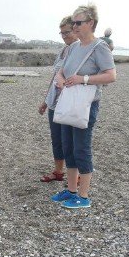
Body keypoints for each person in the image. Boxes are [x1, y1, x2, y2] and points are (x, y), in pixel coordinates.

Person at [50, 3, 116, 209]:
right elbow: (61, 70)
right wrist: (60, 79)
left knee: (81, 148)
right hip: (68, 100)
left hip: (85, 104)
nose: (75, 26)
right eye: (73, 22)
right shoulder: (73, 47)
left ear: (91, 23)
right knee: (68, 147)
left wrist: (83, 79)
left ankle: (84, 196)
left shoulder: (100, 47)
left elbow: (111, 75)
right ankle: (71, 190)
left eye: (78, 22)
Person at [38, 16, 78, 183]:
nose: (63, 36)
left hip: (69, 102)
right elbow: (55, 77)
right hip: (55, 101)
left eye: (66, 32)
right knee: (57, 139)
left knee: (70, 141)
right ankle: (58, 171)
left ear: (76, 29)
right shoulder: (63, 50)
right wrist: (46, 101)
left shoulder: (79, 50)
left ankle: (75, 177)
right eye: (61, 33)